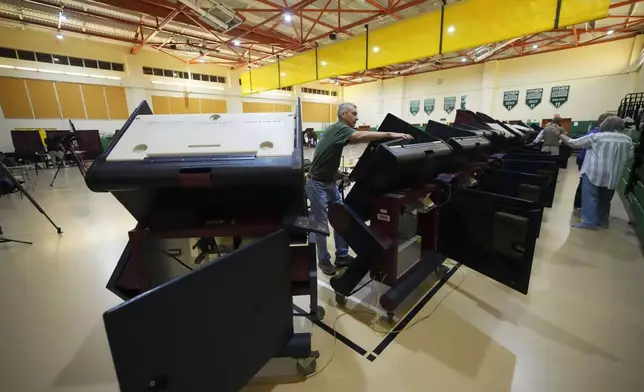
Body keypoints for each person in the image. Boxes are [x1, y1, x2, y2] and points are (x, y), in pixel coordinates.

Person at [306, 103, 413, 275]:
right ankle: (323, 260)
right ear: (343, 115)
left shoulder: (337, 132)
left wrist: (340, 174)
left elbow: (326, 156)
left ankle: (341, 256)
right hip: (316, 184)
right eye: (354, 114)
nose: (357, 117)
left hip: (329, 182)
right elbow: (359, 136)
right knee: (321, 225)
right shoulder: (340, 128)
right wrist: (391, 134)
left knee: (341, 218)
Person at [556, 116, 633, 230]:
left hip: (594, 172)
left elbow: (573, 143)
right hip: (614, 174)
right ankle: (603, 221)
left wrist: (559, 134)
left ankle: (589, 222)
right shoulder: (627, 139)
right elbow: (630, 156)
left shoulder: (596, 137)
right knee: (605, 199)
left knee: (590, 197)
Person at [572, 113, 609, 212]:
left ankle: (580, 205)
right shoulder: (596, 133)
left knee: (585, 182)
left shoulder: (597, 132)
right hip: (585, 159)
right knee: (585, 182)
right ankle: (579, 205)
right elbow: (576, 143)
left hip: (584, 158)